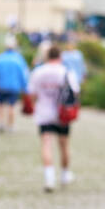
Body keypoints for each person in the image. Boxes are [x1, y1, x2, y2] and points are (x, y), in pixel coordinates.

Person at [27, 45, 80, 191]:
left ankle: (49, 178)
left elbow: (32, 93)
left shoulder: (38, 72)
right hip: (62, 113)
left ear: (47, 56)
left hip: (44, 112)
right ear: (60, 57)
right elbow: (75, 92)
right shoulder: (66, 72)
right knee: (64, 145)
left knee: (46, 143)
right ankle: (64, 174)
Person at [0, 35, 29, 132]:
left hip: (0, 86)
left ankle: (1, 123)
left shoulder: (0, 58)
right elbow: (24, 74)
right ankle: (10, 126)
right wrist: (25, 87)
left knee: (0, 106)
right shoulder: (18, 59)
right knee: (12, 106)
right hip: (14, 87)